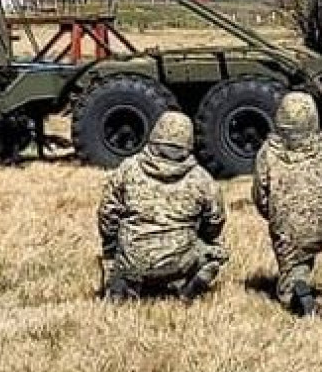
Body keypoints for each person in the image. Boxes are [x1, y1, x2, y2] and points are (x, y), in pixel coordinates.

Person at [97, 110, 227, 302]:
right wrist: (201, 236)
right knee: (216, 253)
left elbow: (107, 214)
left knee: (118, 260)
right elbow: (215, 220)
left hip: (134, 260)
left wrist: (111, 248)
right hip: (180, 262)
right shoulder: (202, 179)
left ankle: (122, 285)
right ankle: (188, 291)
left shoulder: (127, 169)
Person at [252, 91, 322, 318]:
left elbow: (260, 196)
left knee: (290, 279)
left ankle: (297, 289)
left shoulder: (267, 153)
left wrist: (276, 216)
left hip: (286, 231)